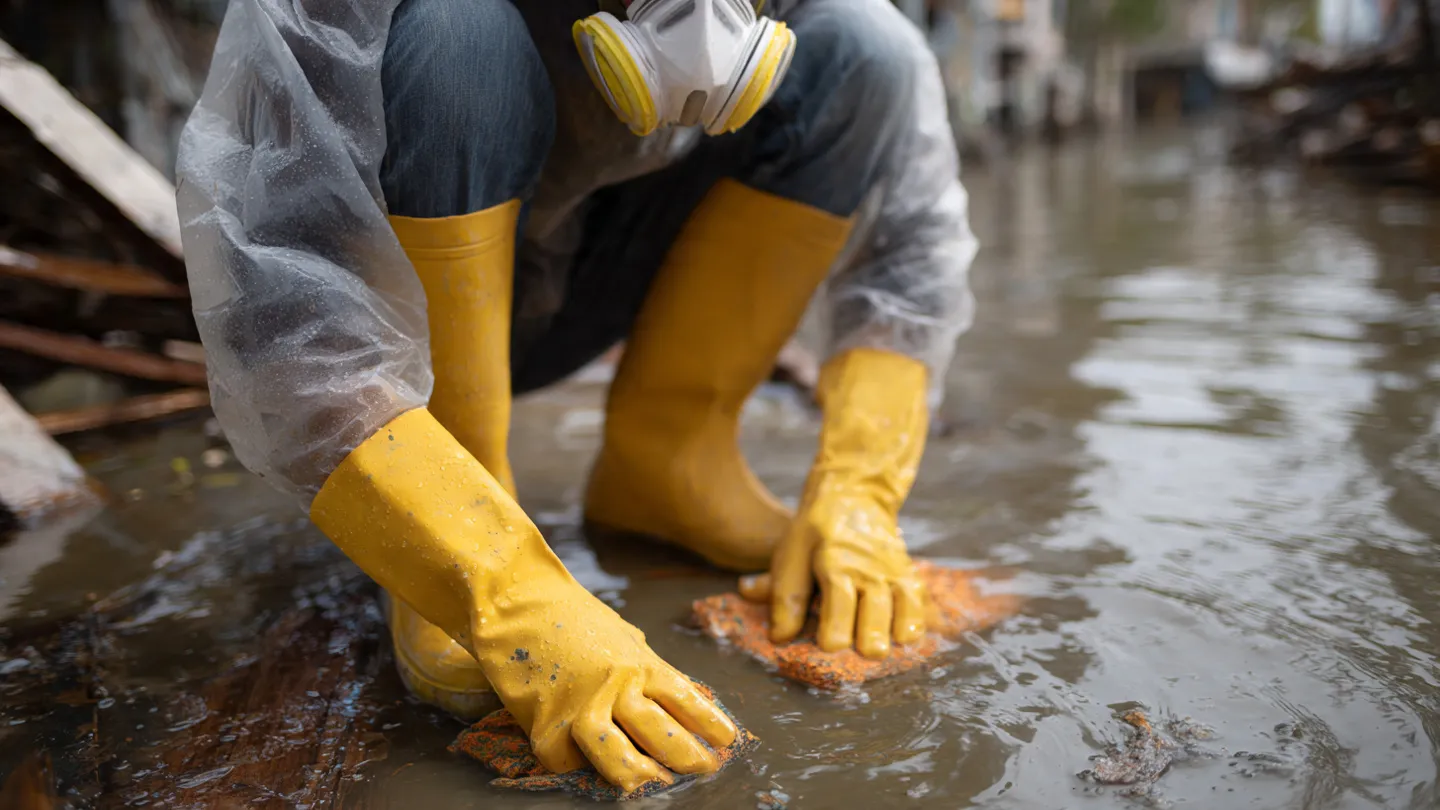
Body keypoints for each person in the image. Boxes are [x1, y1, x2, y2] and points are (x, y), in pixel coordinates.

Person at [176, 0, 977, 793]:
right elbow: (278, 307)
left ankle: (669, 463)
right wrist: (502, 588)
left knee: (866, 53)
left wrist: (858, 494)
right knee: (460, 35)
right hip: (402, 318)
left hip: (603, 287)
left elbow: (912, 261)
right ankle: (461, 498)